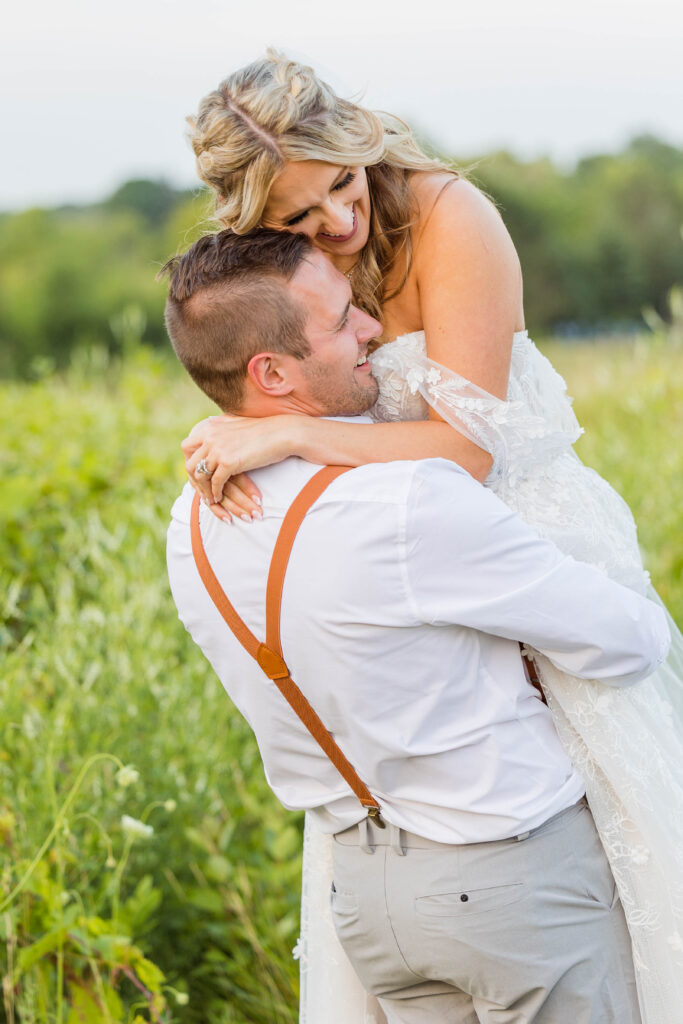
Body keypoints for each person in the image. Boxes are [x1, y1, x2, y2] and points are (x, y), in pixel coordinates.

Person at [175, 52, 683, 1023]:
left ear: (357, 140)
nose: (335, 222)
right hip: (407, 568)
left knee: (608, 850)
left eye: (340, 180)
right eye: (295, 217)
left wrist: (288, 433)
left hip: (522, 540)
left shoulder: (450, 216)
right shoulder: (272, 278)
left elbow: (465, 451)